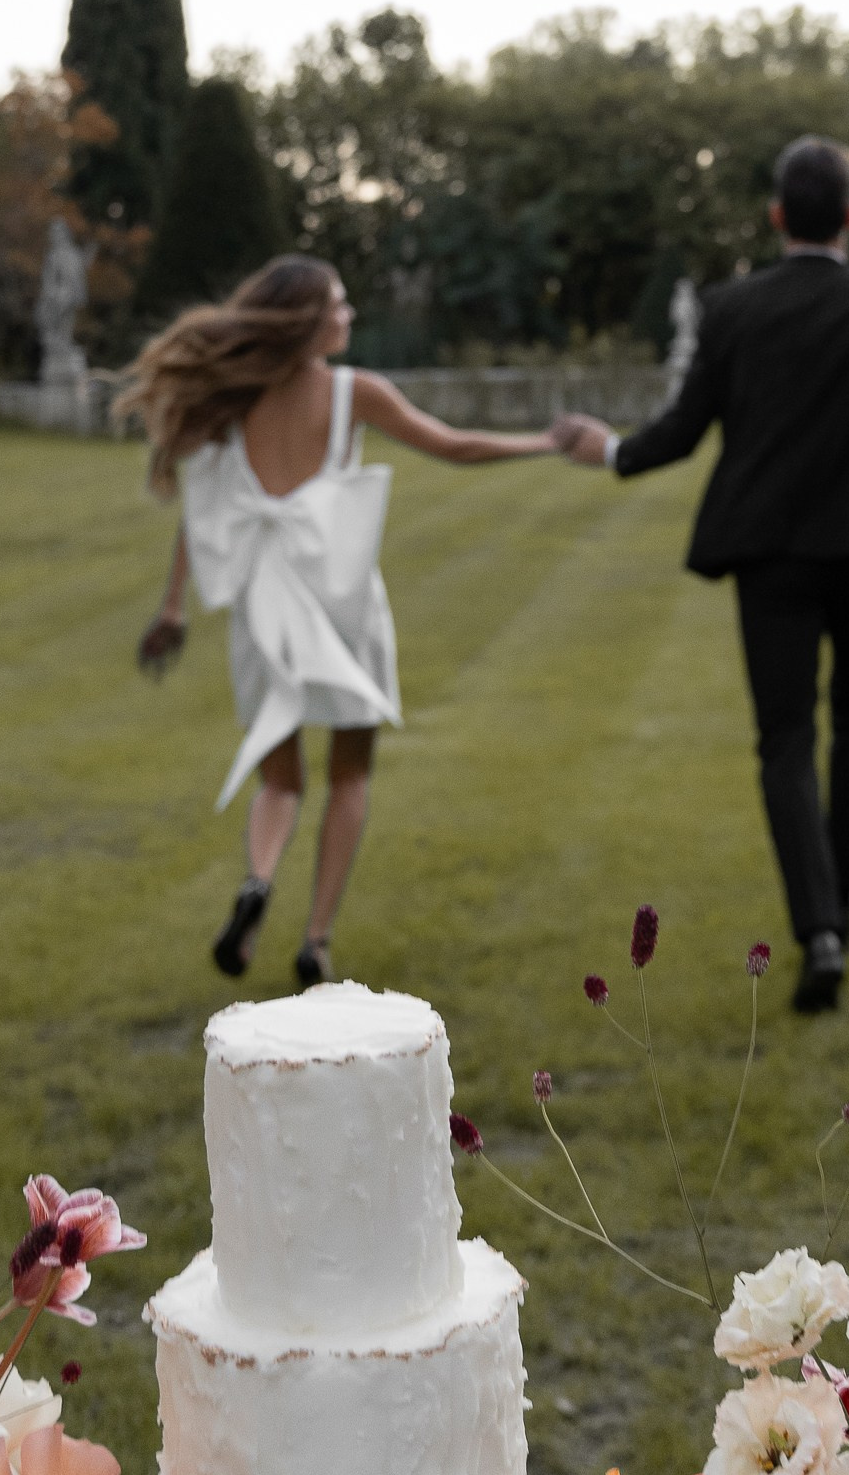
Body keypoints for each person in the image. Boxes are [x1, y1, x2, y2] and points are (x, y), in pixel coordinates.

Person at [555, 136, 849, 1014]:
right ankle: (847, 894)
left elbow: (683, 430)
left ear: (774, 218)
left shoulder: (730, 308)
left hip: (768, 554)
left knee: (785, 737)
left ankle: (820, 929)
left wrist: (607, 451)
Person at [120, 255, 560, 986]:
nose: (349, 315)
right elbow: (453, 445)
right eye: (340, 304)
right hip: (342, 601)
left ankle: (258, 882)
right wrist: (547, 443)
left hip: (263, 602)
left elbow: (206, 516)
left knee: (280, 777)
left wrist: (173, 606)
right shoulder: (356, 392)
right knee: (349, 777)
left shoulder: (235, 399)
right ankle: (315, 941)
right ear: (307, 320)